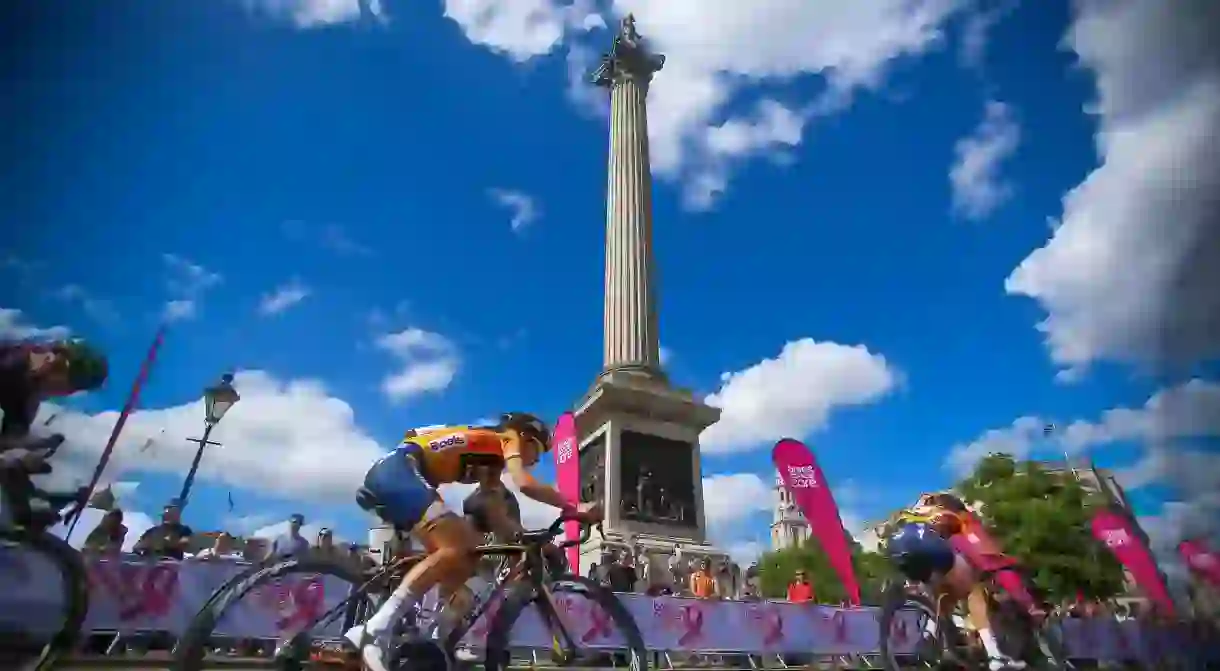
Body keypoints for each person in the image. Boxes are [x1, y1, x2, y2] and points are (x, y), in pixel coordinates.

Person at [346, 413, 602, 671]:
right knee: (457, 545)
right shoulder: (507, 437)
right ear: (525, 436)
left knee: (465, 559)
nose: (535, 460)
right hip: (401, 470)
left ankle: (427, 641)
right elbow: (524, 484)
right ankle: (376, 629)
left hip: (400, 472)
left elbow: (498, 517)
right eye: (537, 450)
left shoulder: (490, 466)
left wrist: (530, 541)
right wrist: (574, 506)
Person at [884, 492, 1043, 671]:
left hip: (898, 552)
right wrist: (1028, 602)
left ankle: (930, 638)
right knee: (973, 589)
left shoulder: (915, 512)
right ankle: (995, 656)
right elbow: (984, 556)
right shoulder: (960, 518)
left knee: (944, 594)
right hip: (931, 551)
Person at [0, 338, 108, 445]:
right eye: (73, 387)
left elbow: (13, 436)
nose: (69, 393)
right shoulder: (11, 368)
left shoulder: (28, 394)